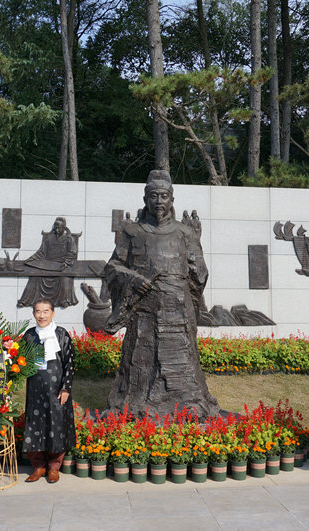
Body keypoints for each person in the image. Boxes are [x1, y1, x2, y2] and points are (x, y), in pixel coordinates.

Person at [104, 169, 220, 418]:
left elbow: (199, 274)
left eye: (164, 196)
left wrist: (186, 279)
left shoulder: (185, 233)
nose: (159, 202)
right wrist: (134, 279)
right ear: (145, 200)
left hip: (177, 311)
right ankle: (136, 406)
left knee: (182, 362)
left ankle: (186, 406)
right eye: (153, 196)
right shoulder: (132, 232)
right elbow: (112, 267)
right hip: (144, 313)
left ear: (172, 200)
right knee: (140, 362)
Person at [22, 299, 76, 484]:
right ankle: (38, 467)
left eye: (46, 311)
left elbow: (70, 364)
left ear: (53, 313)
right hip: (35, 392)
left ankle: (54, 468)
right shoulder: (29, 335)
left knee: (56, 428)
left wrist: (66, 388)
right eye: (38, 311)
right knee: (35, 428)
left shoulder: (61, 334)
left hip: (57, 392)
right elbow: (21, 362)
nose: (42, 315)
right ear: (34, 314)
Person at [17, 217, 79, 309]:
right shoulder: (49, 238)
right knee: (34, 277)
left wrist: (66, 262)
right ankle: (25, 300)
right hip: (47, 264)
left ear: (64, 228)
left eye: (59, 228)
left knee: (65, 278)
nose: (57, 230)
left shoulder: (69, 239)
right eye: (56, 228)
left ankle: (64, 300)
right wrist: (31, 259)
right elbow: (41, 252)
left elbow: (72, 253)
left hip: (62, 265)